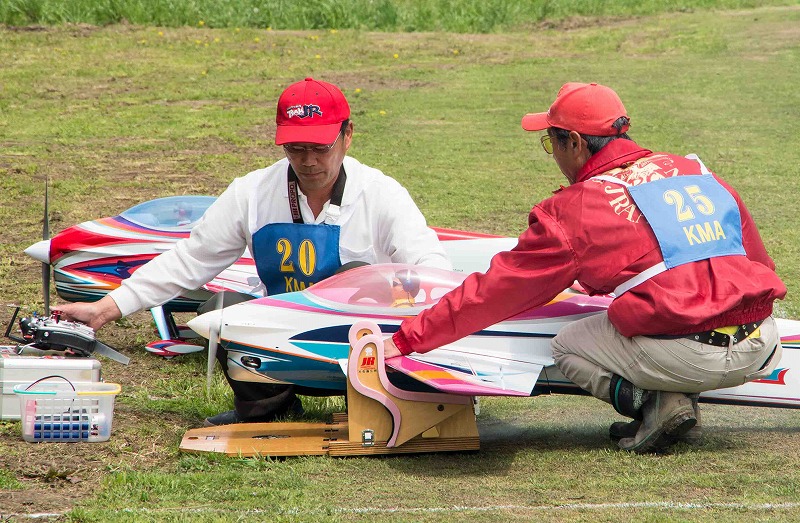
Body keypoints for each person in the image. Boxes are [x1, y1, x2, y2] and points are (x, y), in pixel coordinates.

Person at [384, 82, 786, 454]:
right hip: (763, 345)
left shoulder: (573, 210)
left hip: (689, 357)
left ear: (574, 142)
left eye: (551, 142)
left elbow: (495, 292)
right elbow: (758, 263)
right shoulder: (698, 172)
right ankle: (676, 393)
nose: (553, 154)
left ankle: (656, 403)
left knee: (568, 343)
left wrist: (407, 339)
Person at [59, 77, 452, 426]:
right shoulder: (251, 192)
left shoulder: (382, 194)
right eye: (295, 148)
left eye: (320, 147)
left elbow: (432, 267)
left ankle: (376, 400)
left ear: (347, 135)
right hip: (285, 344)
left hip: (366, 347)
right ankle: (267, 406)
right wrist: (105, 309)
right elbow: (190, 259)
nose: (308, 161)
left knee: (354, 274)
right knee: (220, 308)